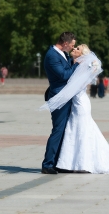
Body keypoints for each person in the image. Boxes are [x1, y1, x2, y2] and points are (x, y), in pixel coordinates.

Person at [40, 44, 109, 174]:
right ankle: (70, 163)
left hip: (80, 102)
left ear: (82, 55)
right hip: (79, 101)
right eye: (75, 47)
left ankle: (82, 162)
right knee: (75, 130)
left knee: (81, 130)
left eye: (77, 49)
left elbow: (73, 85)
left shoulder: (81, 66)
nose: (74, 49)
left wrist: (56, 97)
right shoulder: (75, 62)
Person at [41, 32, 79, 174]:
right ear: (65, 44)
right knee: (58, 130)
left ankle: (58, 162)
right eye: (72, 45)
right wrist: (76, 64)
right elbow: (64, 75)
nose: (72, 48)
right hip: (58, 97)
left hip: (66, 96)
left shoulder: (62, 54)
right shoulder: (52, 56)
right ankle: (48, 164)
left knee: (64, 130)